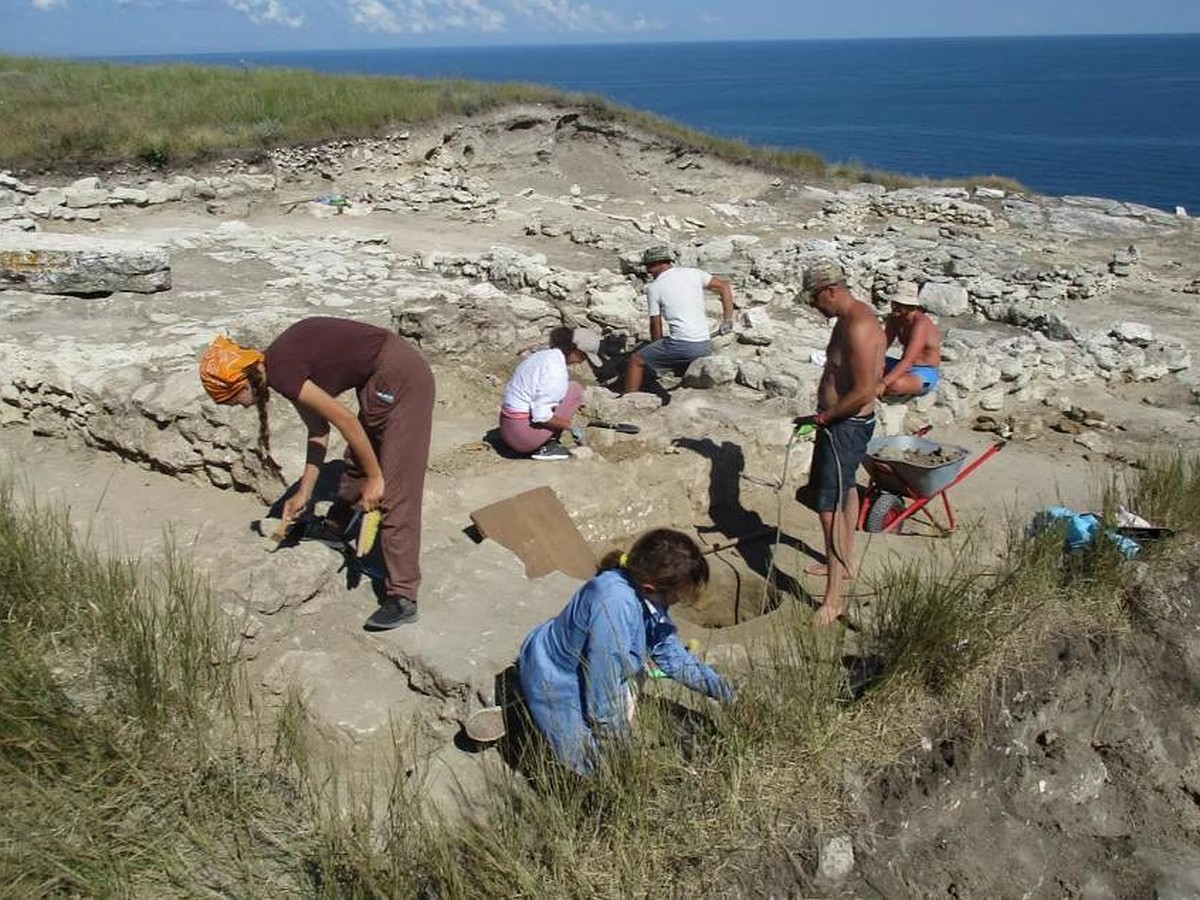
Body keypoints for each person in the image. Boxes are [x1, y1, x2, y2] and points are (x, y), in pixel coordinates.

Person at [199, 316, 435, 631]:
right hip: (379, 379)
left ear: (241, 383)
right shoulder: (279, 369)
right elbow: (318, 430)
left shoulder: (282, 372)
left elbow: (347, 421)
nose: (239, 407)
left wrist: (377, 478)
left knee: (395, 488)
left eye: (232, 401)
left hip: (402, 376)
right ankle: (336, 528)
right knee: (357, 462)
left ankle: (403, 596)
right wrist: (304, 493)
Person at [517, 528, 736, 774]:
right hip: (555, 678)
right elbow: (603, 692)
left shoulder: (642, 593)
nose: (679, 601)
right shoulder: (614, 609)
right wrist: (620, 754)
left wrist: (724, 692)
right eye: (678, 595)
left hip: (588, 662)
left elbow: (670, 655)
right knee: (589, 767)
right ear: (650, 587)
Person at [798, 260, 886, 626]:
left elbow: (864, 390)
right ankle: (843, 562)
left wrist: (824, 418)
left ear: (831, 291)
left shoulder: (861, 326)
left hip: (845, 426)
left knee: (828, 508)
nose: (817, 307)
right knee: (846, 489)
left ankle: (832, 601)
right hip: (839, 423)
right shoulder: (846, 321)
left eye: (817, 300)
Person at [623, 245, 735, 394]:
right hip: (704, 343)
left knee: (636, 360)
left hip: (684, 344)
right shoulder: (694, 273)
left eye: (649, 266)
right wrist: (728, 319)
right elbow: (724, 287)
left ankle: (630, 399)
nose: (648, 271)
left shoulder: (654, 287)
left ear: (659, 264)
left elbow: (655, 325)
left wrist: (656, 349)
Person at [499, 326, 602, 461]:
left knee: (569, 389)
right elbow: (541, 416)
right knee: (575, 391)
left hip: (506, 427)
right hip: (522, 438)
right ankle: (545, 447)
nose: (582, 361)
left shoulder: (542, 355)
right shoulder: (556, 371)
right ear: (576, 350)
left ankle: (539, 439)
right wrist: (570, 426)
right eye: (584, 356)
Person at [878, 281, 942, 398]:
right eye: (894, 303)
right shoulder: (894, 319)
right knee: (864, 363)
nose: (894, 307)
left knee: (895, 385)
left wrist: (883, 382)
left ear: (910, 306)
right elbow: (883, 345)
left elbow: (909, 359)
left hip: (923, 370)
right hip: (901, 364)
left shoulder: (920, 324)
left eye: (900, 304)